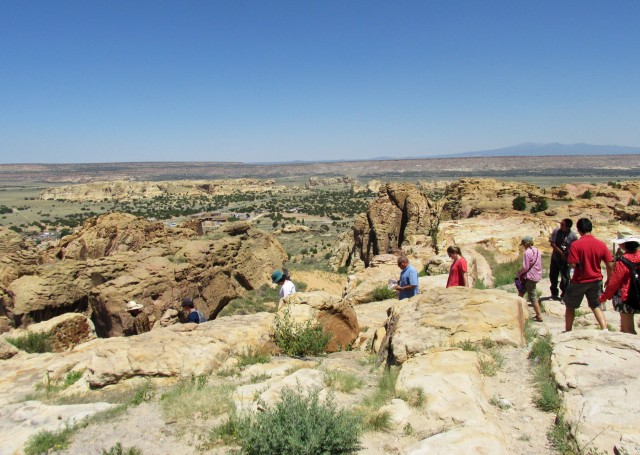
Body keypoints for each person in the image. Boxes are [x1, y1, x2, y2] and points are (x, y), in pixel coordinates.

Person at [564, 218, 614, 332]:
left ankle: (568, 331)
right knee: (595, 305)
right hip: (596, 279)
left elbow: (572, 264)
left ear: (578, 230)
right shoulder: (601, 244)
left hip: (579, 280)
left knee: (570, 306)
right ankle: (604, 328)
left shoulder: (576, 245)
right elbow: (610, 264)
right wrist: (609, 279)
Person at [599, 234, 640, 334]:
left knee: (628, 328)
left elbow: (614, 282)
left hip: (627, 296)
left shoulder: (623, 261)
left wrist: (603, 297)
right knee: (624, 327)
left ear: (624, 244)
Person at [548, 218, 578, 300]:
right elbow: (553, 244)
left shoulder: (573, 236)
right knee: (553, 275)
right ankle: (554, 293)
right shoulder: (556, 231)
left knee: (565, 277)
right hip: (555, 257)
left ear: (568, 227)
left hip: (565, 259)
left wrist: (569, 257)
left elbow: (575, 247)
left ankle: (564, 295)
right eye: (561, 224)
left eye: (563, 224)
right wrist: (561, 253)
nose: (560, 225)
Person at [517, 236, 544, 322]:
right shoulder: (537, 250)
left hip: (530, 277)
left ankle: (539, 315)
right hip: (536, 275)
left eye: (523, 244)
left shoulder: (527, 253)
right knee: (521, 291)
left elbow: (525, 267)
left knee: (532, 297)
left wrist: (519, 273)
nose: (523, 246)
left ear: (525, 244)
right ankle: (517, 310)